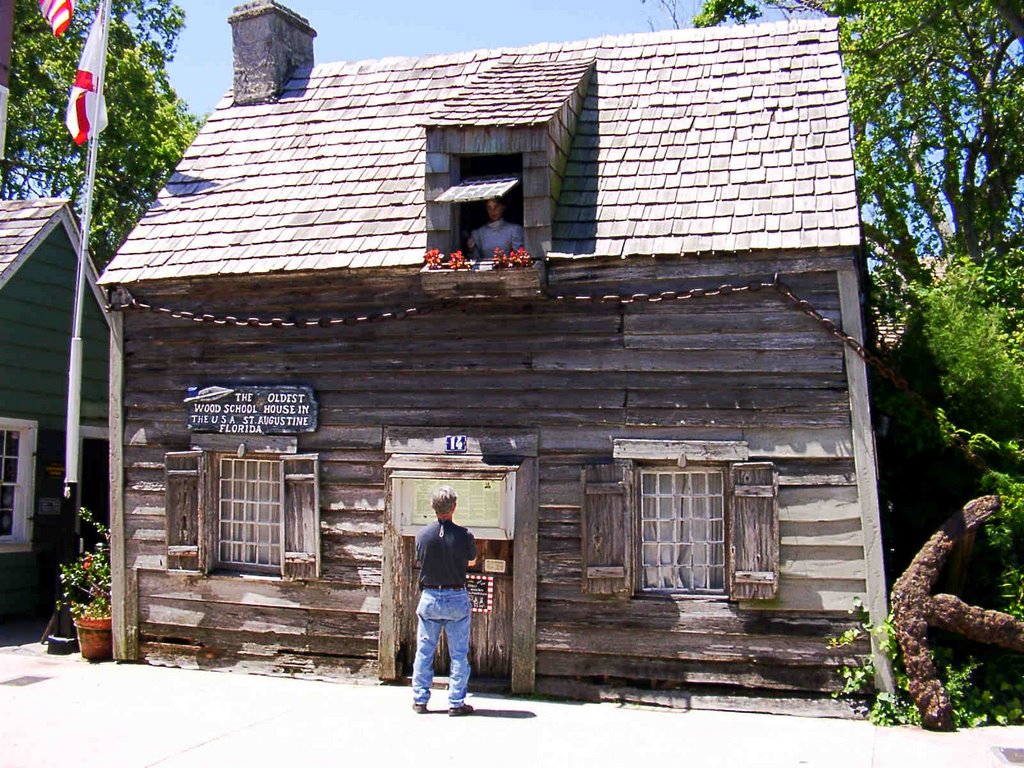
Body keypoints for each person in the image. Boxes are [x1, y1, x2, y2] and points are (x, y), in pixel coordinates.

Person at [412, 485, 478, 716]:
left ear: (433, 507)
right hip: (456, 595)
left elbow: (421, 559)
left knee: (424, 651)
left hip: (430, 595)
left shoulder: (422, 535)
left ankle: (420, 700)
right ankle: (456, 702)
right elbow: (471, 561)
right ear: (454, 507)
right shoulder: (465, 535)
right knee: (459, 653)